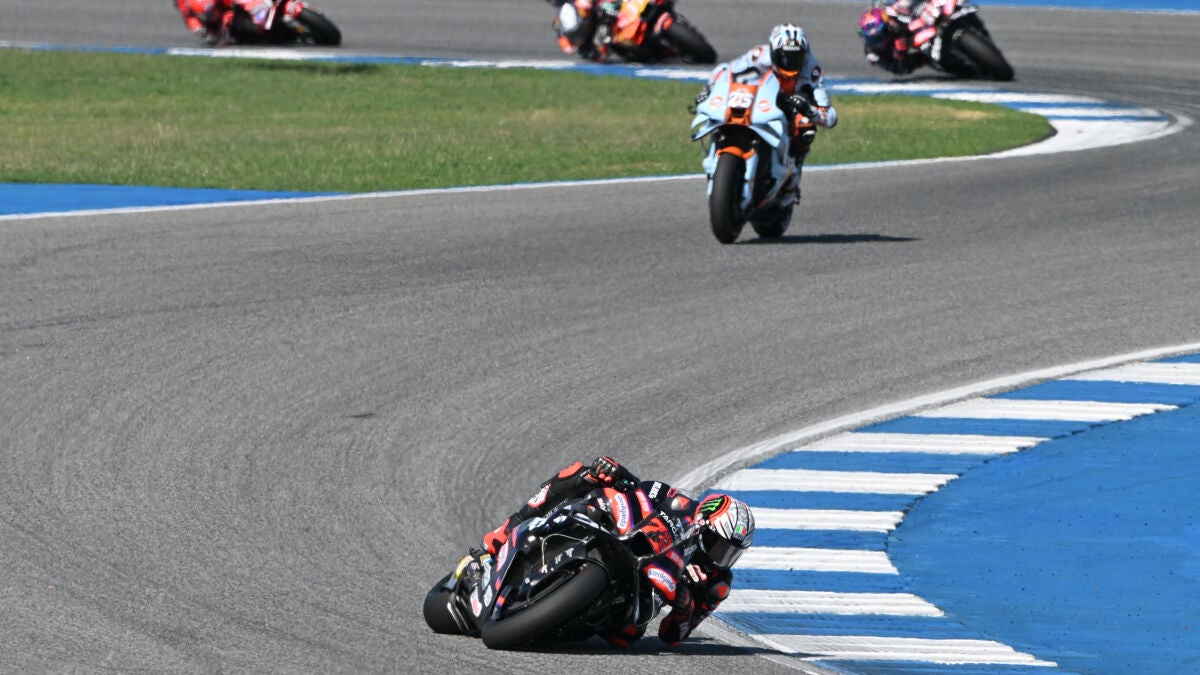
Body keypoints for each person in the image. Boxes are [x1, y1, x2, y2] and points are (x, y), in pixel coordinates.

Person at [480, 455, 755, 647]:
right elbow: (642, 492)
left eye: (731, 553)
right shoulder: (679, 503)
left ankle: (564, 616)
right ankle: (503, 534)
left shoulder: (717, 584)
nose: (721, 558)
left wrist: (684, 608)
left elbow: (672, 637)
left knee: (626, 636)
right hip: (625, 539)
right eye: (719, 545)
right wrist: (617, 474)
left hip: (638, 597)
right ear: (703, 525)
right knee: (582, 473)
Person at [695, 24, 838, 202]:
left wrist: (809, 110)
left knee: (805, 126)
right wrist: (709, 89)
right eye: (784, 57)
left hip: (790, 106)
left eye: (796, 58)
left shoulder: (812, 72)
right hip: (759, 99)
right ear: (773, 52)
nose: (790, 64)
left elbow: (830, 116)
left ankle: (793, 174)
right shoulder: (758, 55)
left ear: (805, 54)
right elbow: (725, 70)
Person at [858, 6, 925, 75]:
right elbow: (896, 69)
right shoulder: (871, 53)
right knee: (903, 68)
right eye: (872, 38)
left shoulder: (893, 21)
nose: (877, 40)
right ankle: (925, 58)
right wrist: (899, 57)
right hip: (895, 51)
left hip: (908, 30)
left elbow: (909, 20)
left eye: (880, 35)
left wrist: (903, 35)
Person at [548, 0, 619, 63]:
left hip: (594, 18)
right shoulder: (566, 23)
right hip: (586, 40)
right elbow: (558, 29)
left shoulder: (583, 7)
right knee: (599, 57)